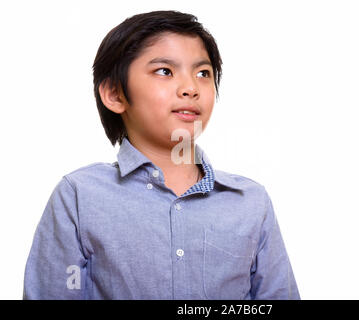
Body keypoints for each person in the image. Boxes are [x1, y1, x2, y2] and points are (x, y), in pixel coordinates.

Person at [23, 10, 300, 300]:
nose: (191, 88)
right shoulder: (79, 196)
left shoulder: (251, 203)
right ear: (115, 94)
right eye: (165, 71)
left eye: (203, 73)